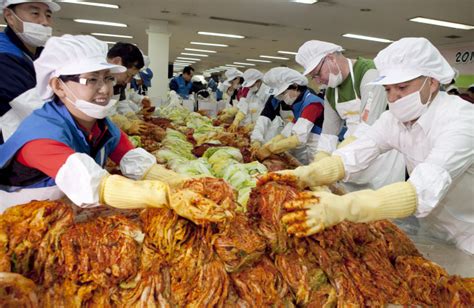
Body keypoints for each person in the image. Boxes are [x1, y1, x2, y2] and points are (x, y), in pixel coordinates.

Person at [280, 37, 473, 254]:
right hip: (434, 228)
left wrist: (346, 207)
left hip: (470, 232)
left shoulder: (461, 119)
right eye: (388, 89)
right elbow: (357, 152)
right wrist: (308, 174)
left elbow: (422, 189)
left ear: (433, 82)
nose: (394, 97)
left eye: (402, 87)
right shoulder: (393, 120)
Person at [0, 35, 222, 222]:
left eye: (107, 78)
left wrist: (185, 182)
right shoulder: (41, 136)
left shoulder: (100, 126)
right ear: (59, 85)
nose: (104, 89)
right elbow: (99, 186)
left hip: (64, 216)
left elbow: (137, 163)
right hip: (19, 225)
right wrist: (167, 196)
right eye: (91, 80)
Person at [296, 40, 405, 190]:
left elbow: (369, 125)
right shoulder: (331, 91)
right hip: (350, 154)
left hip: (383, 156)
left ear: (331, 59)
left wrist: (337, 156)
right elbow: (329, 133)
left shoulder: (369, 72)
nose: (318, 81)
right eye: (313, 78)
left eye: (317, 74)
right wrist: (319, 160)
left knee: (378, 205)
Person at [0, 0, 60, 143]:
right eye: (35, 13)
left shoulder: (39, 54)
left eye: (48, 15)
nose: (44, 22)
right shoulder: (4, 56)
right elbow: (36, 109)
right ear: (9, 16)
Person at [256, 67, 324, 165]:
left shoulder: (312, 104)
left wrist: (273, 148)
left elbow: (298, 139)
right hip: (311, 146)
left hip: (321, 148)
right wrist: (271, 142)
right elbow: (293, 124)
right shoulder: (299, 103)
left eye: (284, 93)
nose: (283, 97)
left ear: (296, 86)